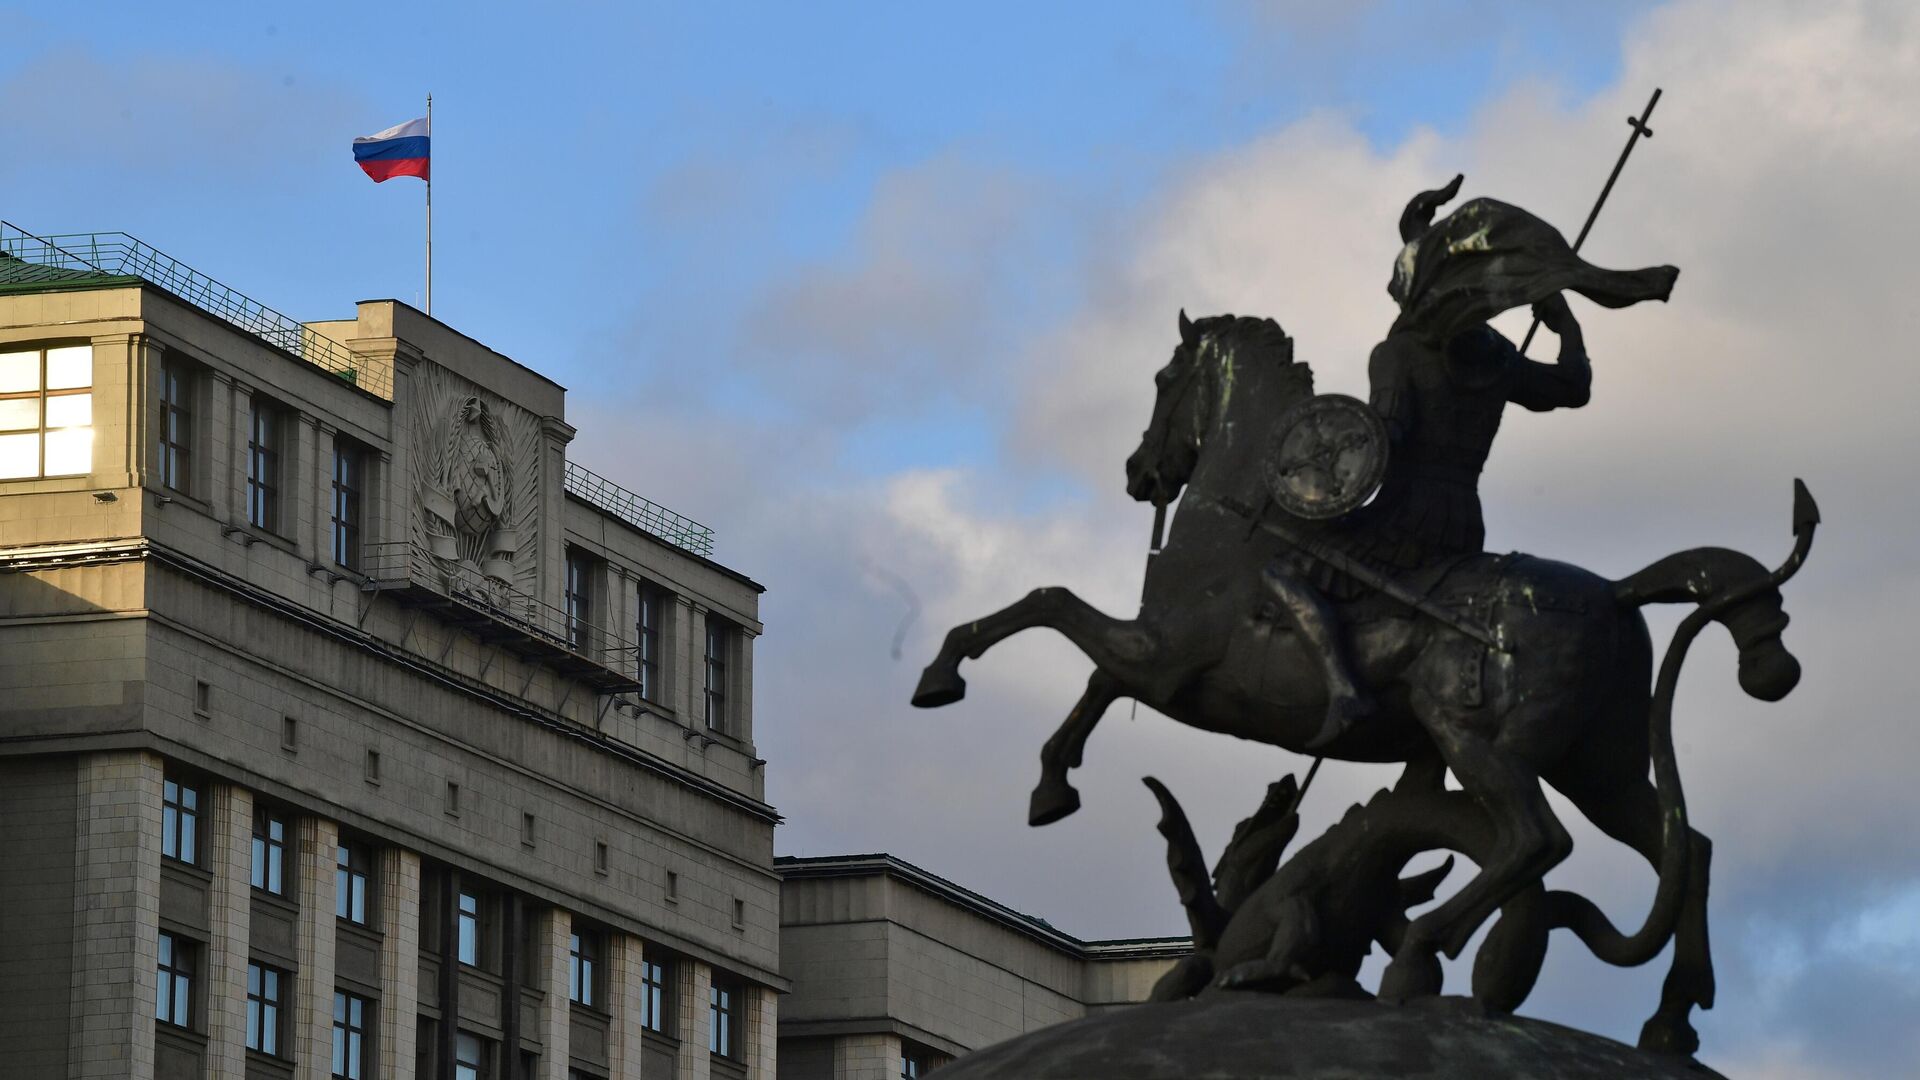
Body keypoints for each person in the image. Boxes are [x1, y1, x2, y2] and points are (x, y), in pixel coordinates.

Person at [1263, 179, 1679, 749]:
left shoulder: (1399, 354)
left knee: (1285, 570)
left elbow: (1383, 439)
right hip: (1461, 522)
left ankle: (1343, 689)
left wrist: (1322, 456)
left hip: (1403, 518)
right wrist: (1566, 325)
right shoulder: (1497, 359)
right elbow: (1572, 386)